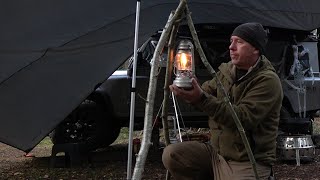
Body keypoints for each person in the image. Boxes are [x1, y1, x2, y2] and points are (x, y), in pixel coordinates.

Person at [162, 22, 283, 180]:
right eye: (231, 41)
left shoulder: (267, 81)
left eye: (239, 42)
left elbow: (242, 119)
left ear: (256, 49)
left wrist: (201, 98)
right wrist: (190, 88)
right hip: (217, 154)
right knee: (172, 154)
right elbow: (206, 92)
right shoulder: (227, 71)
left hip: (247, 160)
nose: (231, 47)